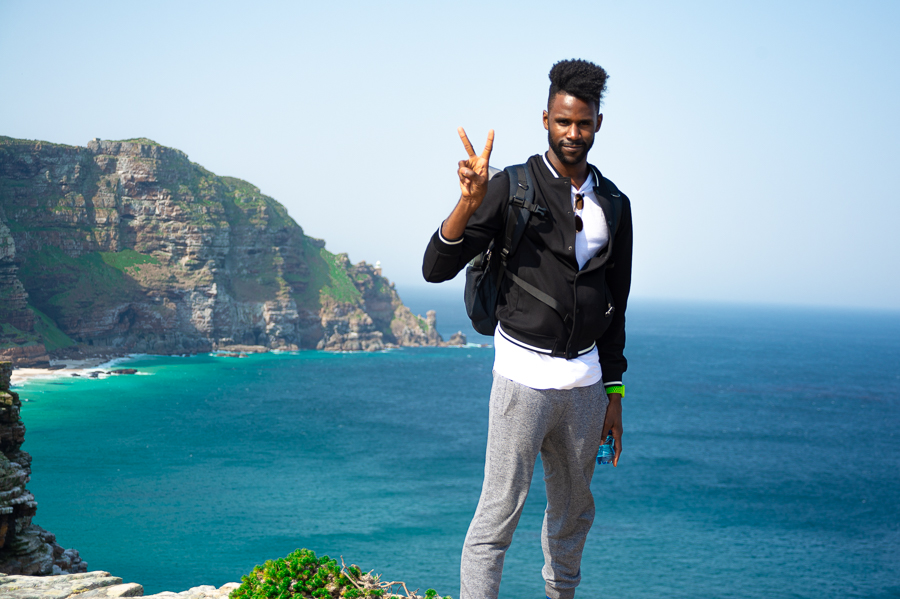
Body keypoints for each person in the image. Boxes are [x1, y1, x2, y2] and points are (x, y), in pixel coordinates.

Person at [421, 59, 633, 599]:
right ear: (545, 119)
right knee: (497, 519)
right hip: (521, 382)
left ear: (598, 123)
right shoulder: (511, 187)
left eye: (582, 123)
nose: (572, 133)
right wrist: (468, 201)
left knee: (571, 522)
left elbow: (617, 304)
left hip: (586, 388)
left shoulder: (615, 204)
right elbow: (435, 268)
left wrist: (614, 393)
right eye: (563, 121)